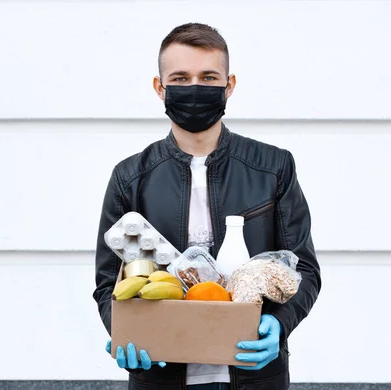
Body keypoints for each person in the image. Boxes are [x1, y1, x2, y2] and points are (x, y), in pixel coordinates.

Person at [92, 23, 322, 390]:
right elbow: (109, 284)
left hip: (254, 376)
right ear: (160, 87)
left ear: (229, 86)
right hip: (160, 376)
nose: (194, 88)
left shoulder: (273, 167)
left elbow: (304, 269)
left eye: (208, 77)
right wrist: (123, 330)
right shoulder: (129, 177)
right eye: (180, 78)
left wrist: (279, 323)